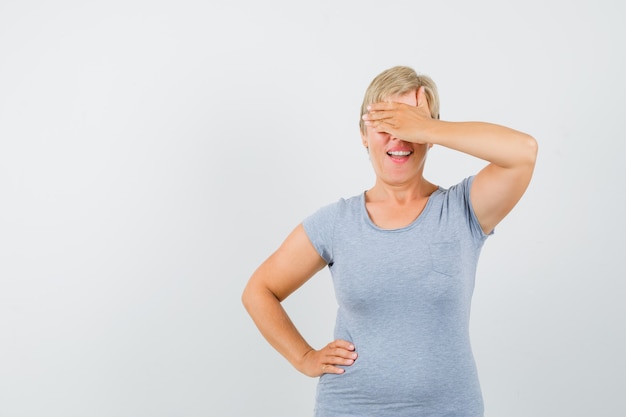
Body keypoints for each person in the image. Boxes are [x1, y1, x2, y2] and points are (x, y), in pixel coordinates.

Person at [241, 65, 537, 417]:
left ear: (430, 133)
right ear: (364, 135)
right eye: (384, 123)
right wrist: (304, 357)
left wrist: (426, 127)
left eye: (409, 121)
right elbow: (259, 291)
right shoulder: (336, 223)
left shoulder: (463, 210)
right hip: (350, 407)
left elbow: (524, 153)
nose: (398, 136)